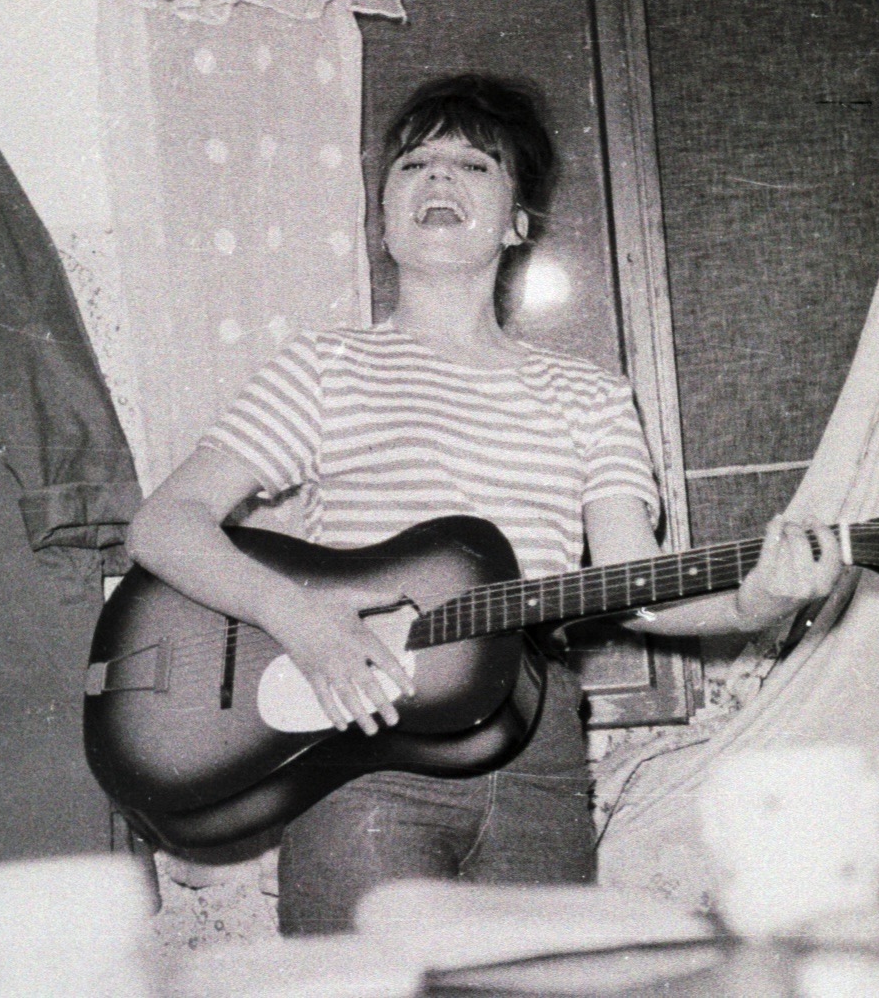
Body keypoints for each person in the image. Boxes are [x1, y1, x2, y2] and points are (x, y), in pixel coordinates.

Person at [127, 74, 842, 935]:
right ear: (383, 216)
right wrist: (300, 615)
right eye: (414, 163)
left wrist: (758, 599)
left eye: (471, 163)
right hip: (362, 760)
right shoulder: (323, 367)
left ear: (516, 223)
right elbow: (164, 523)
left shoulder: (589, 395)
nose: (436, 180)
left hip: (539, 767)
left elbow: (632, 583)